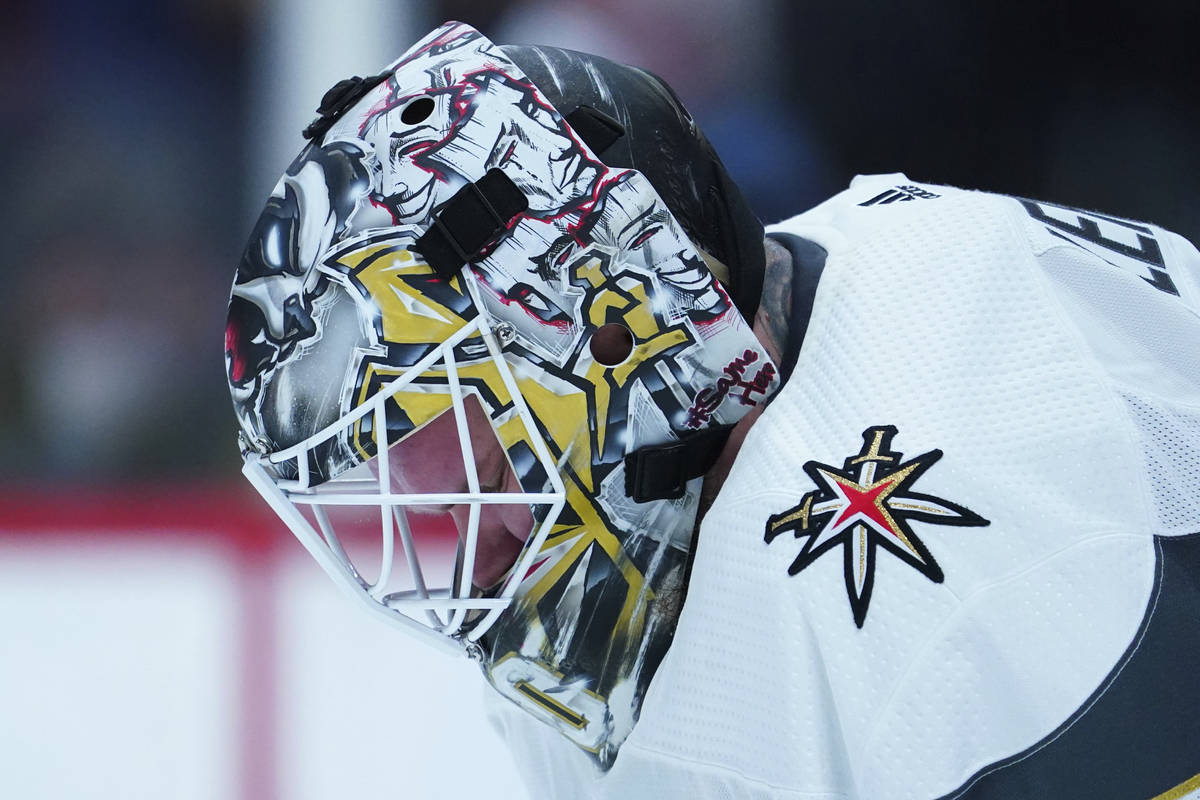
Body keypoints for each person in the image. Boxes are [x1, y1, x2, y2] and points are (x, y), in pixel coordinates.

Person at [226, 21, 1200, 800]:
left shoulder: (966, 583)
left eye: (446, 432)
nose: (446, 515)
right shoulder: (600, 607)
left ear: (609, 322)